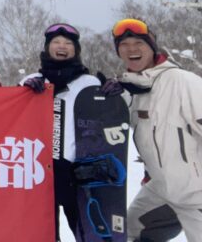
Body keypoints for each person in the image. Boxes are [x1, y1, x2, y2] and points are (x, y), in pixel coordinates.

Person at [110, 18, 202, 242]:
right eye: (124, 45)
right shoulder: (134, 90)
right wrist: (109, 97)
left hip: (196, 195)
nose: (132, 49)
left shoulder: (183, 81)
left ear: (152, 47)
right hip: (162, 191)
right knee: (127, 232)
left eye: (138, 43)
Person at [22, 23, 102, 242]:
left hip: (76, 171)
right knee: (44, 232)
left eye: (68, 43)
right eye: (56, 42)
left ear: (76, 50)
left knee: (84, 230)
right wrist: (23, 94)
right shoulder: (31, 82)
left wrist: (114, 94)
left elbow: (110, 120)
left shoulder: (89, 83)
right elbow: (14, 122)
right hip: (38, 170)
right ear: (48, 47)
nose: (62, 46)